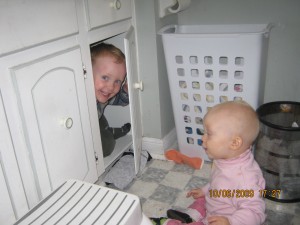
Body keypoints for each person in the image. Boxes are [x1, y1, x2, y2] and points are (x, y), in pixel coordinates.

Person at [151, 101, 266, 225]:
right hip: (215, 207)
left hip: (225, 220)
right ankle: (193, 214)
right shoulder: (224, 158)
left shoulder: (245, 179)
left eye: (209, 134)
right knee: (202, 199)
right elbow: (220, 184)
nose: (202, 138)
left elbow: (255, 212)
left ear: (234, 143)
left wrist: (231, 221)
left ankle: (170, 222)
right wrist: (205, 190)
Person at [91, 43, 131, 157]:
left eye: (117, 81)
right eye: (105, 77)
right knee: (107, 146)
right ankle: (113, 132)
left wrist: (126, 91)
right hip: (82, 128)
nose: (110, 87)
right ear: (86, 72)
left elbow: (119, 100)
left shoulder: (104, 93)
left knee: (101, 123)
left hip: (96, 118)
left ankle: (110, 131)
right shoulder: (79, 97)